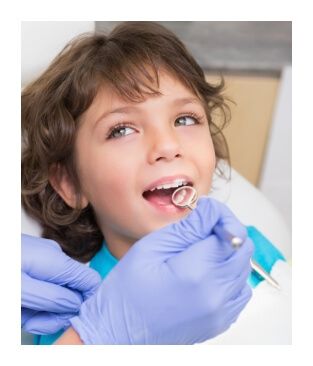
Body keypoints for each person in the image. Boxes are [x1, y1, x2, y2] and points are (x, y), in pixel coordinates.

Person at [21, 21, 287, 345]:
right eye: (121, 130)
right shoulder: (69, 320)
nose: (167, 145)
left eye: (185, 119)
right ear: (70, 184)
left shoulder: (251, 248)